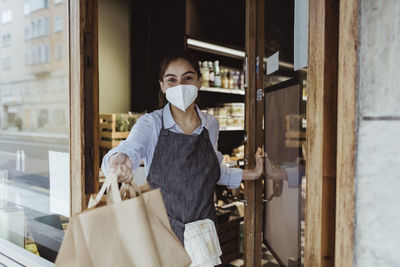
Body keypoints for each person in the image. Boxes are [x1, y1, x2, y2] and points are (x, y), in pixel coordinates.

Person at [101, 50, 265, 266]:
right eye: (171, 80)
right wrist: (118, 160)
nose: (179, 86)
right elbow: (128, 148)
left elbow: (213, 170)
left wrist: (253, 173)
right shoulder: (151, 124)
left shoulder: (210, 125)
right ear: (162, 86)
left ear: (199, 82)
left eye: (187, 78)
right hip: (162, 231)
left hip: (203, 232)